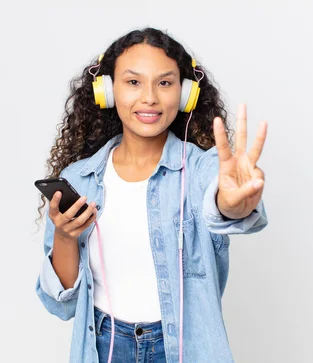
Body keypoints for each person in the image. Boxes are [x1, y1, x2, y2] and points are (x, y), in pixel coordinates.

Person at [35, 27, 269, 363]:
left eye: (165, 82)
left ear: (186, 93)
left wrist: (232, 206)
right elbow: (63, 304)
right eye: (133, 82)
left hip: (182, 348)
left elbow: (226, 202)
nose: (149, 97)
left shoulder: (203, 170)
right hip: (105, 345)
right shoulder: (80, 179)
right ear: (107, 90)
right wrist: (65, 236)